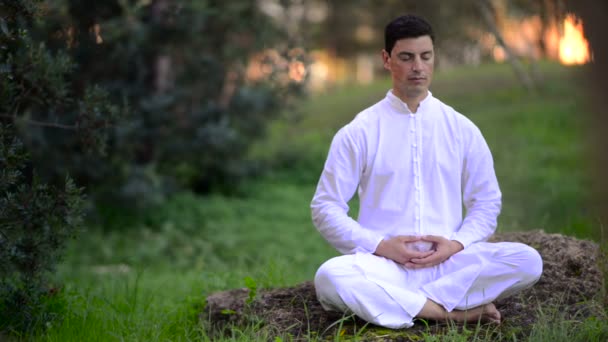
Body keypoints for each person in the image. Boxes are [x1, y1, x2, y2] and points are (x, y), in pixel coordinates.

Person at [311, 14, 543, 329]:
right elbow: (325, 207)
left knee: (527, 261)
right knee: (330, 277)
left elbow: (486, 203)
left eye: (425, 56)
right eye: (406, 57)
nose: (418, 67)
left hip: (449, 264)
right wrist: (381, 246)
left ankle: (402, 301)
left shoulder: (461, 128)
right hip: (384, 265)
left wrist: (456, 244)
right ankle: (452, 312)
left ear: (434, 58)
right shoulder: (360, 131)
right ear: (386, 59)